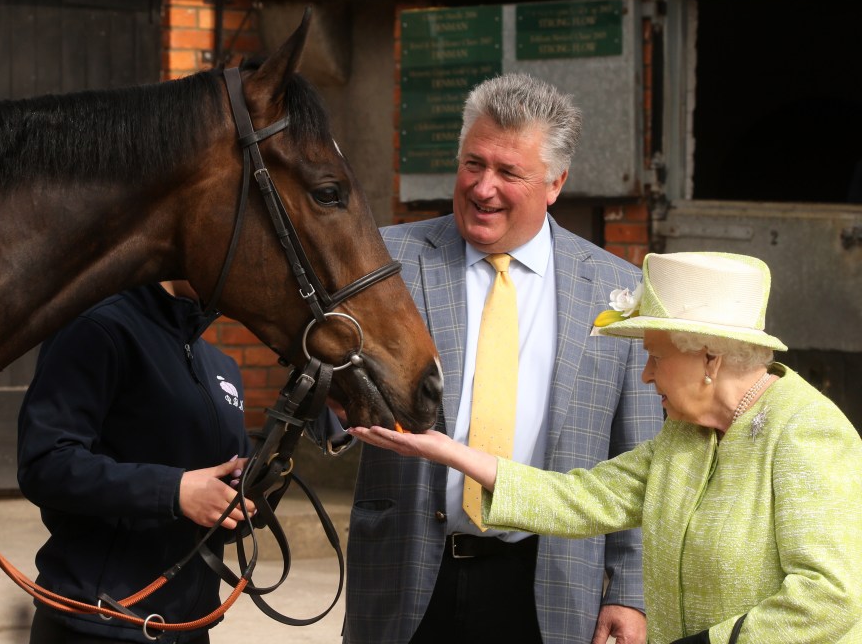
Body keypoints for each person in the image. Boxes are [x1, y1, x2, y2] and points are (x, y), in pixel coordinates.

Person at [350, 251, 862, 643]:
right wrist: (449, 452)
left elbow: (831, 596)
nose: (644, 375)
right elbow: (583, 497)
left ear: (709, 358)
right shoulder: (686, 436)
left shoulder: (806, 433)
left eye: (655, 358)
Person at [342, 73, 662, 644]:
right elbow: (325, 395)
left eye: (509, 172)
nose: (483, 187)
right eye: (473, 164)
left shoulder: (618, 292)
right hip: (409, 570)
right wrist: (336, 409)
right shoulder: (385, 260)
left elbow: (637, 462)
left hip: (552, 582)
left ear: (555, 182)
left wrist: (629, 592)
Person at [17, 281, 255, 644]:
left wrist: (243, 502)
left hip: (187, 626)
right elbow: (45, 463)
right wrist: (173, 491)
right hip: (96, 623)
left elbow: (220, 497)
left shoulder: (222, 367)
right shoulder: (98, 327)